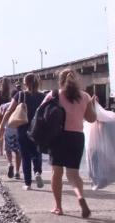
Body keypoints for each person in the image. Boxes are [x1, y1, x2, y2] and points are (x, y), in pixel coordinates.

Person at [43, 69, 96, 217]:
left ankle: (58, 207)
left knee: (57, 173)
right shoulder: (84, 96)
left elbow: (41, 115)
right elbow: (92, 119)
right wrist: (91, 104)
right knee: (73, 174)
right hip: (77, 138)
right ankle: (80, 196)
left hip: (58, 137)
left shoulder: (54, 95)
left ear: (60, 81)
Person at [0, 73, 45, 191]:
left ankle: (28, 183)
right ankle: (38, 172)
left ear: (26, 83)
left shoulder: (21, 95)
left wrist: (2, 125)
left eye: (24, 81)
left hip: (23, 128)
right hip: (38, 129)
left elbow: (9, 111)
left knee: (25, 156)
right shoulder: (42, 96)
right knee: (37, 153)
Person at [0, 101, 21, 179]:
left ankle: (10, 163)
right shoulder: (21, 105)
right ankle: (17, 172)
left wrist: (1, 127)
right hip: (18, 130)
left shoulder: (4, 106)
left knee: (8, 150)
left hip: (8, 130)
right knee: (18, 152)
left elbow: (1, 115)